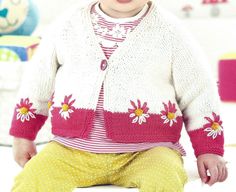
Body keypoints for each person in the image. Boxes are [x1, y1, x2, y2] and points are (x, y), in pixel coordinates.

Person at [10, 0, 228, 191]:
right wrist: (23, 136)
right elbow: (37, 81)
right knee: (32, 178)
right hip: (71, 150)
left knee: (165, 177)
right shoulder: (68, 24)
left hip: (147, 151)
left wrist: (208, 150)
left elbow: (199, 91)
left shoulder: (171, 32)